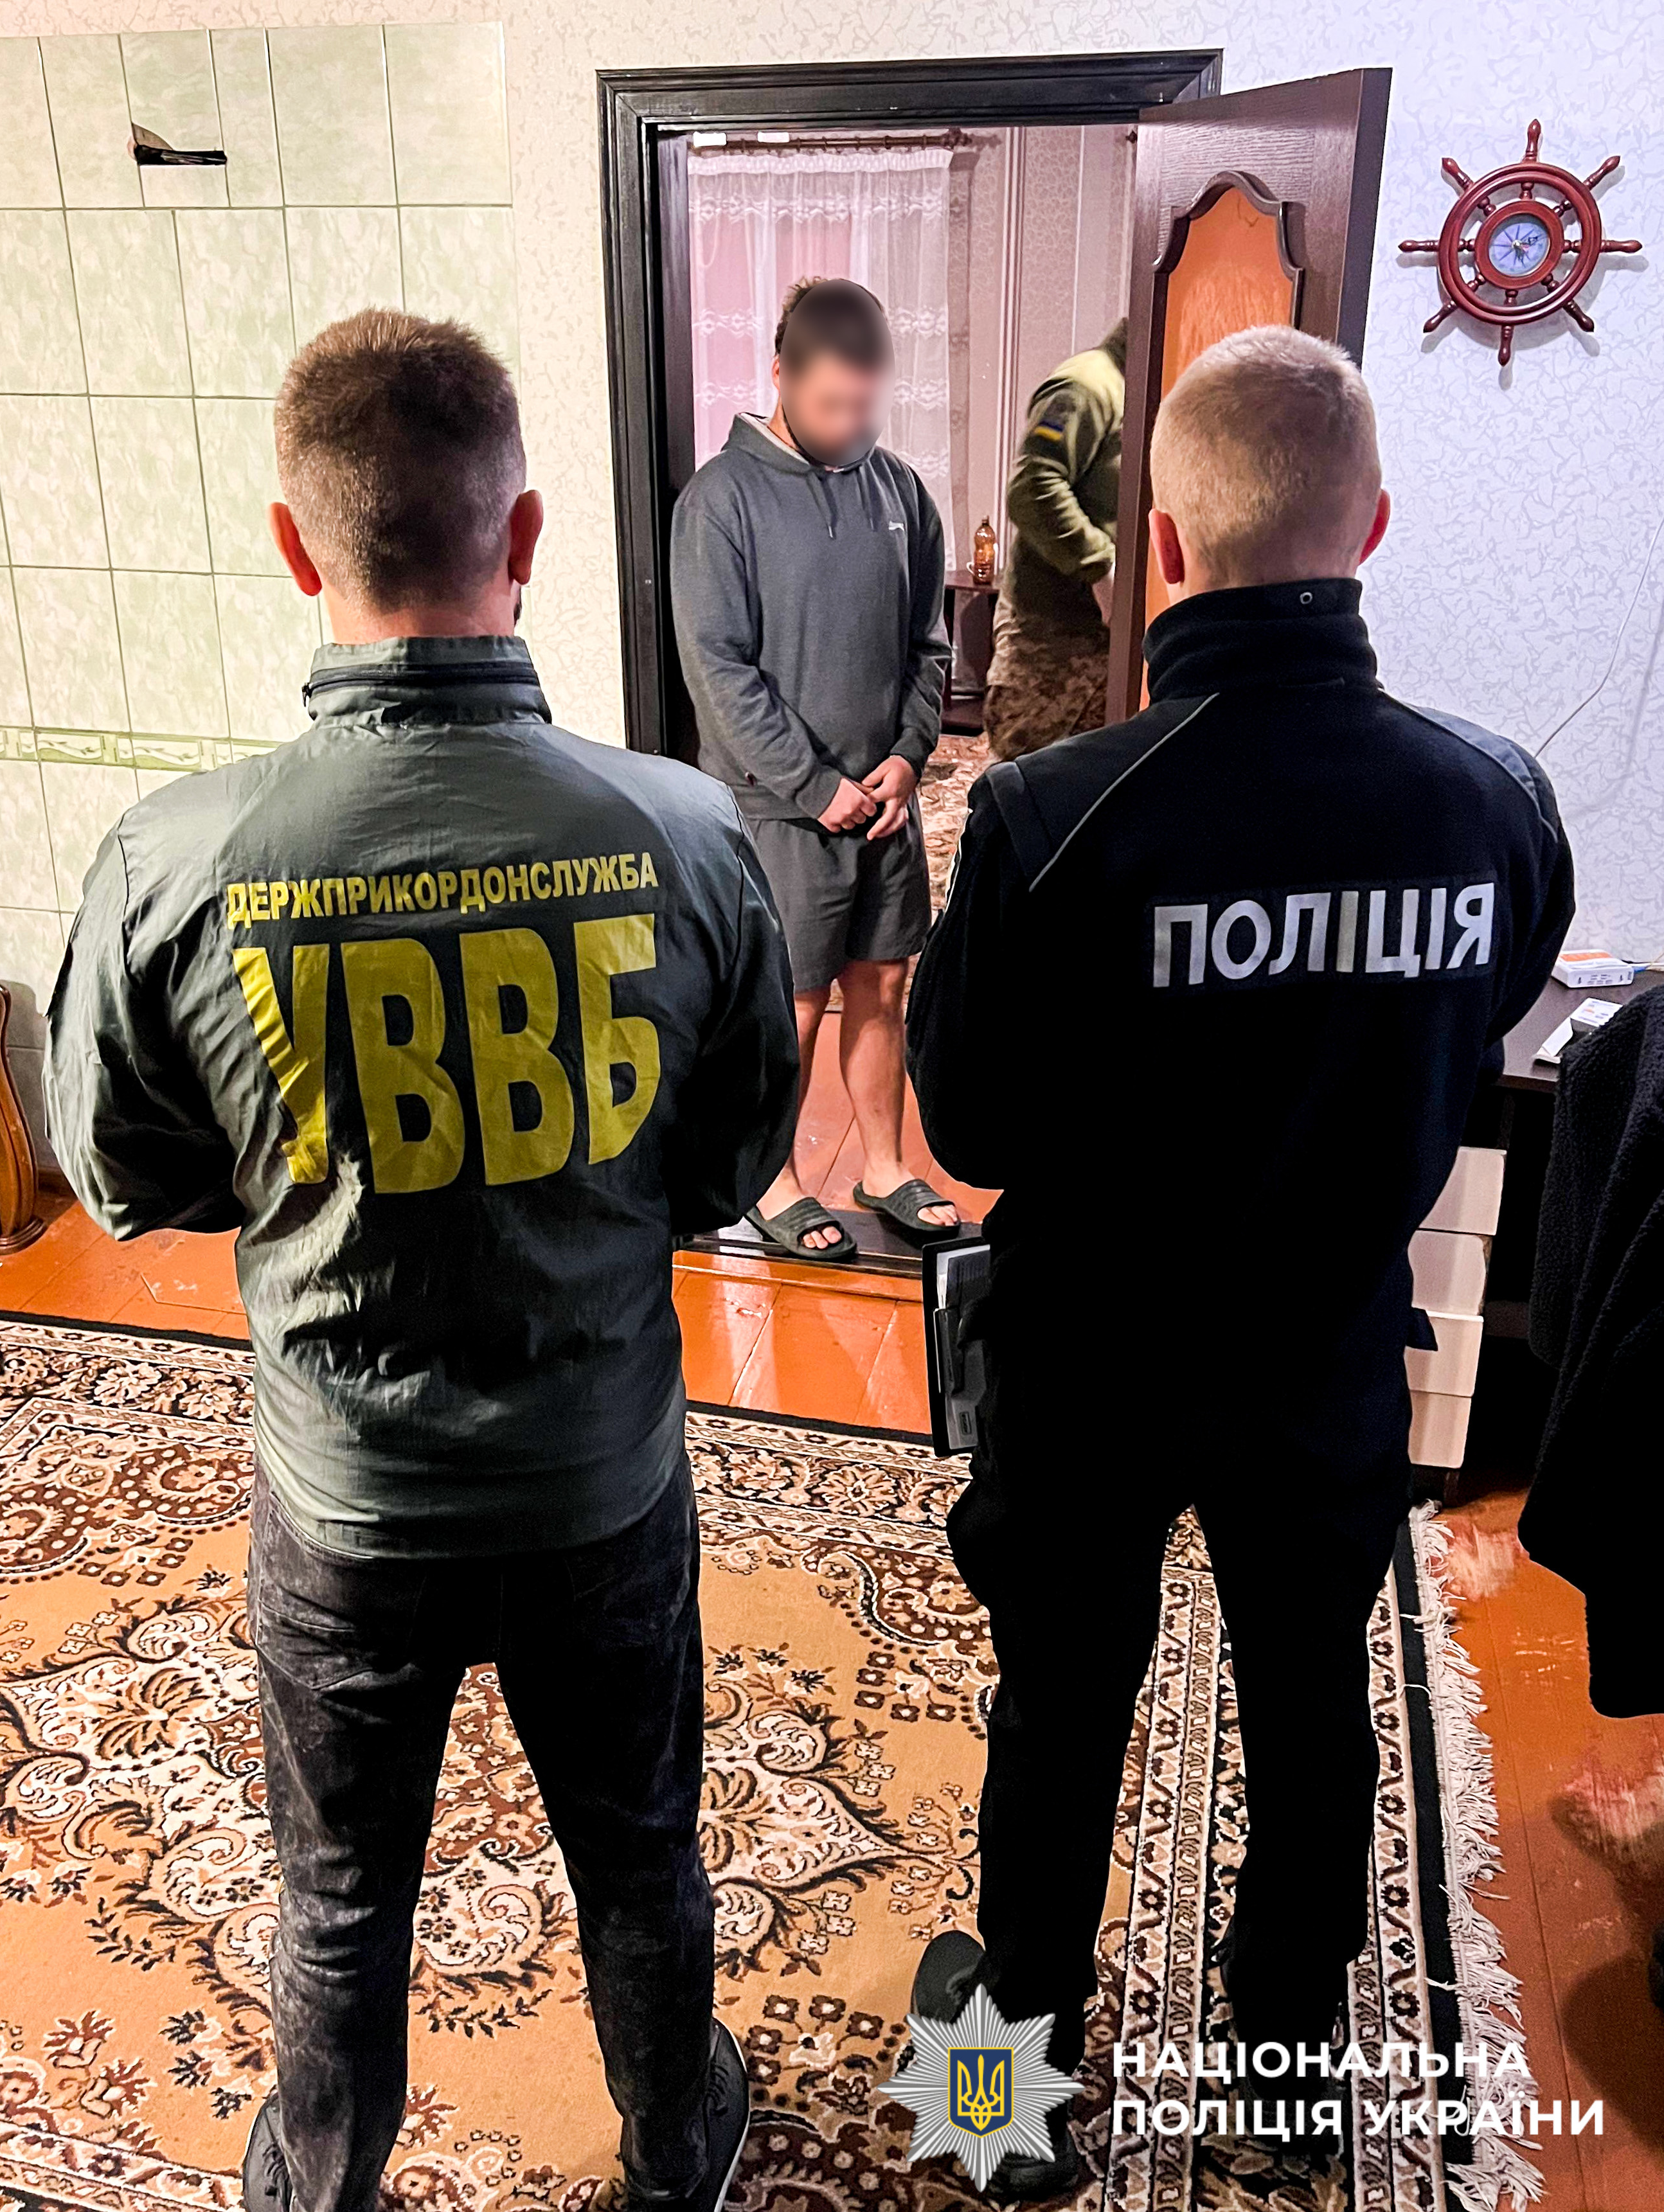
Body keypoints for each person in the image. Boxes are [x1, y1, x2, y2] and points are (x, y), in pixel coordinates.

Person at [46, 310, 800, 2212]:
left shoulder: (172, 859)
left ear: (293, 548)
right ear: (524, 530)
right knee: (640, 1849)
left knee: (336, 1887)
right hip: (600, 1481)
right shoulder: (688, 832)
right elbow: (730, 1165)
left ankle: (322, 2180)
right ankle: (676, 2142)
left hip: (348, 1503)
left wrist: (316, 1177)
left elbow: (120, 1174)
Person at [906, 325, 1573, 2175]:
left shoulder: (1047, 817)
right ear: (1373, 525)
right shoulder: (1493, 801)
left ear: (1163, 542)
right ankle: (1282, 2066)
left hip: (1092, 1356)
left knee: (1059, 1713)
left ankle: (1002, 2106)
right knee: (1306, 1696)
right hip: (1327, 1343)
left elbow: (969, 1130)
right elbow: (1487, 1017)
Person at [670, 276, 956, 1260]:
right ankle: (772, 1178)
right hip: (778, 812)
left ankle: (883, 1165)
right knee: (789, 1001)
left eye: (866, 405)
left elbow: (929, 647)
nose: (850, 425)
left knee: (882, 982)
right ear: (780, 376)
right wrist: (815, 784)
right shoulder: (720, 502)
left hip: (883, 803)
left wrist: (906, 758)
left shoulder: (901, 492)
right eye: (832, 404)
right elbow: (718, 673)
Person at [983, 319, 1126, 762]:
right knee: (1023, 780)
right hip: (1054, 640)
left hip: (1112, 639)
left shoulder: (1149, 392)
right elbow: (1032, 488)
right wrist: (1100, 566)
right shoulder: (1088, 385)